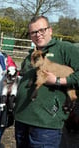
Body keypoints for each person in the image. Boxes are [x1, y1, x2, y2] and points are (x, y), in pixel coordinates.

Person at [14, 15, 79, 148]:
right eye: (33, 32)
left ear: (50, 30)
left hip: (46, 124)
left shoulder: (65, 48)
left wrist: (58, 80)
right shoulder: (31, 55)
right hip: (22, 120)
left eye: (42, 30)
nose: (38, 35)